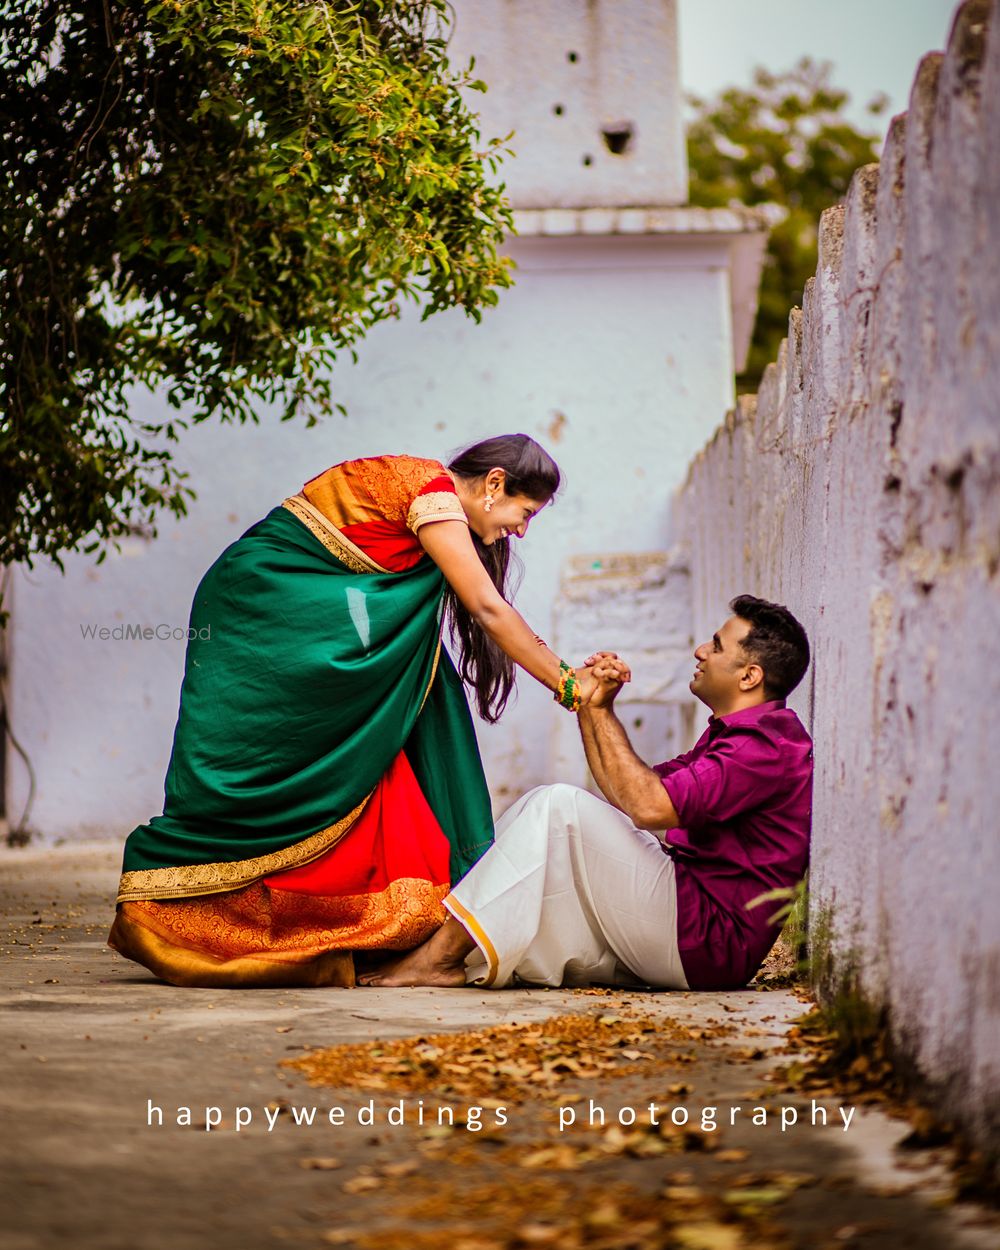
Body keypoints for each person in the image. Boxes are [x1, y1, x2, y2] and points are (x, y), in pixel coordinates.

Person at [108, 434, 598, 988]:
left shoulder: (431, 500)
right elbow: (487, 608)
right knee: (301, 744)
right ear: (492, 485)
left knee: (405, 699)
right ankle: (201, 900)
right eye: (524, 512)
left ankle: (393, 928)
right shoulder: (433, 497)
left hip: (289, 601)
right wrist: (567, 682)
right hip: (268, 603)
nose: (522, 529)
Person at [360, 594, 813, 991]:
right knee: (546, 854)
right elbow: (626, 791)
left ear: (750, 676)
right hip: (689, 921)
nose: (700, 651)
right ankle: (435, 947)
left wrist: (591, 703)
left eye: (715, 646)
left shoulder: (764, 747)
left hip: (705, 941)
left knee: (557, 806)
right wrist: (593, 706)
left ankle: (437, 960)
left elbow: (648, 805)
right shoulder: (741, 736)